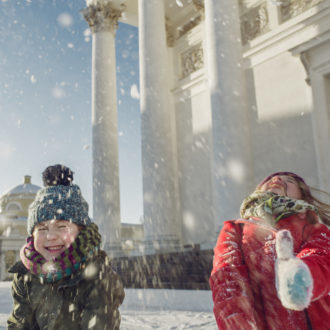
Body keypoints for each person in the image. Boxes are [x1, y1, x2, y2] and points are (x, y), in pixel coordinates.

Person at [7, 164, 125, 330]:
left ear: (81, 231)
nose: (50, 236)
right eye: (42, 228)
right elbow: (19, 325)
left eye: (62, 226)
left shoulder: (97, 275)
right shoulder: (25, 275)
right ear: (31, 235)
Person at [210, 171, 330, 329]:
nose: (278, 179)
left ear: (302, 196)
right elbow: (227, 278)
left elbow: (322, 257)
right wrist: (236, 321)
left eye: (290, 181)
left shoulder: (312, 226)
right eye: (270, 179)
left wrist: (300, 275)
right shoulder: (235, 229)